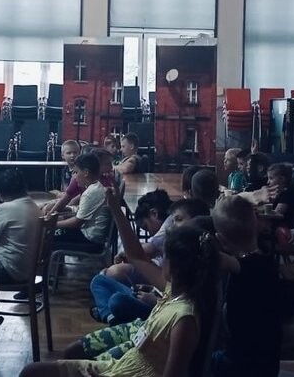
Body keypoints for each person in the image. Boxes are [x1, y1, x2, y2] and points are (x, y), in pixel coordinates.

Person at [19, 188, 220, 377]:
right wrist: (115, 208)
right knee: (41, 366)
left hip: (129, 371)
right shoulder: (172, 289)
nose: (159, 261)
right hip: (124, 364)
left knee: (34, 372)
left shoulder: (184, 318)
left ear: (174, 265)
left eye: (164, 257)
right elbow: (137, 256)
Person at [90, 198, 211, 326]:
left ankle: (110, 315)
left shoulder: (195, 266)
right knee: (99, 281)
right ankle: (110, 317)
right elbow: (138, 259)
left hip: (161, 312)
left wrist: (156, 301)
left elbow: (183, 307)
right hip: (157, 297)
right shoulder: (180, 251)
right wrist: (153, 289)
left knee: (117, 300)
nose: (171, 225)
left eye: (179, 220)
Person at [212, 195, 283, 377]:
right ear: (257, 225)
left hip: (242, 367)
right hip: (267, 363)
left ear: (221, 240)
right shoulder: (266, 261)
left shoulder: (245, 267)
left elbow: (221, 259)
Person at [0, 168, 41, 285]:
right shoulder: (35, 208)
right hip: (28, 271)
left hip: (8, 270)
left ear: (0, 192)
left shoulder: (5, 209)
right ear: (25, 188)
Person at [54, 153, 111, 246]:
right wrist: (66, 212)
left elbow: (77, 222)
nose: (74, 177)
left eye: (76, 172)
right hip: (89, 233)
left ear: (86, 173)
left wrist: (53, 224)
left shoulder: (91, 193)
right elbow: (81, 213)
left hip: (90, 239)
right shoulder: (97, 186)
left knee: (47, 236)